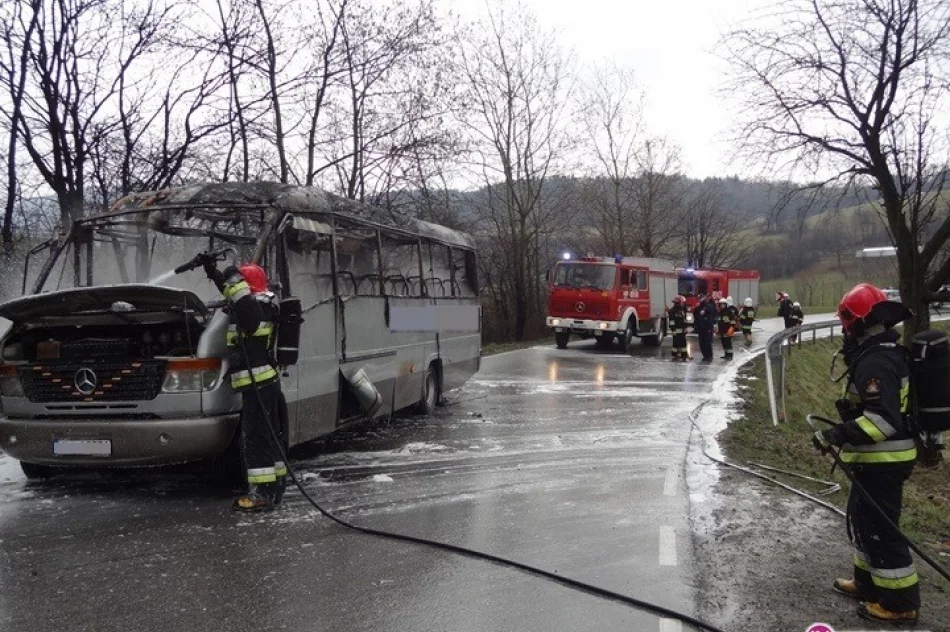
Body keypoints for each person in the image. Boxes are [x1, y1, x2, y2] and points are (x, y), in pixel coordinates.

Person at [812, 283, 919, 624]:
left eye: (845, 321)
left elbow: (882, 422)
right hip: (873, 461)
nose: (844, 328)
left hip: (885, 460)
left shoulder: (876, 361)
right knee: (862, 521)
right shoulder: (875, 353)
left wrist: (836, 434)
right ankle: (867, 583)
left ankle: (900, 603)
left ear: (856, 322)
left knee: (881, 530)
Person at [205, 260, 287, 512]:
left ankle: (261, 494)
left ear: (244, 286)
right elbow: (238, 299)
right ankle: (274, 489)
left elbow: (248, 316)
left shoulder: (254, 306)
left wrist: (232, 278)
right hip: (264, 384)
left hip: (258, 385)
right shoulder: (259, 303)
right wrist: (214, 273)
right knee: (270, 437)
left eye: (236, 285)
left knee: (256, 439)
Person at [693, 294, 717, 362]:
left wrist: (704, 309)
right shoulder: (699, 307)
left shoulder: (709, 305)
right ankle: (705, 356)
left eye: (701, 298)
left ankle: (709, 356)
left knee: (707, 342)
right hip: (701, 327)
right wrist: (695, 326)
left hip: (708, 327)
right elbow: (696, 316)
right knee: (701, 343)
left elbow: (711, 310)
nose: (700, 299)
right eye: (699, 298)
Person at [668, 295, 690, 361]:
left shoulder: (683, 309)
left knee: (683, 344)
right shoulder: (672, 310)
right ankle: (675, 355)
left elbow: (685, 319)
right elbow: (671, 321)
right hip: (676, 330)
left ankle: (684, 356)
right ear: (679, 302)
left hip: (682, 330)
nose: (683, 303)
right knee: (676, 344)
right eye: (682, 302)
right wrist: (673, 330)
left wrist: (686, 327)